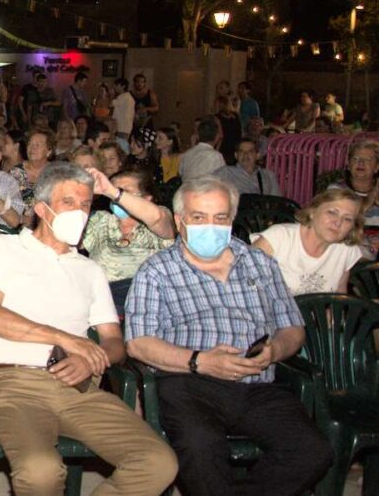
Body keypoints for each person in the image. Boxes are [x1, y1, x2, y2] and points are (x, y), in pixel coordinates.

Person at [0, 162, 177, 496]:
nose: (80, 212)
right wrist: (67, 339)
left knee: (157, 461)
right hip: (15, 384)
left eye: (85, 205)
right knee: (41, 472)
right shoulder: (5, 249)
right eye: (69, 202)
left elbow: (113, 341)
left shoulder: (90, 269)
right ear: (42, 208)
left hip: (79, 386)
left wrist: (92, 359)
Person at [125, 176, 332, 496]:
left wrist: (274, 350)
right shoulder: (157, 271)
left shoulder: (260, 263)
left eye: (220, 218)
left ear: (231, 220)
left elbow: (293, 328)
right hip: (189, 382)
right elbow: (139, 342)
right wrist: (199, 361)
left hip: (256, 382)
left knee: (312, 451)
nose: (211, 226)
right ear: (179, 221)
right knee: (201, 448)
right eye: (199, 217)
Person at [82, 168, 174, 313]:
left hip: (146, 300)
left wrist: (114, 192)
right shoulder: (100, 221)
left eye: (125, 191)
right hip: (103, 301)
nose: (114, 196)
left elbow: (157, 218)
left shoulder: (159, 216)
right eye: (111, 192)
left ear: (147, 199)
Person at [252, 188, 366, 295]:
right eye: (332, 212)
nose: (338, 222)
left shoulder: (345, 251)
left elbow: (337, 300)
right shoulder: (278, 238)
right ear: (312, 212)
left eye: (347, 219)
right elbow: (242, 285)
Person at [331, 140, 379, 256]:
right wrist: (369, 200)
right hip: (347, 246)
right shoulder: (337, 189)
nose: (361, 163)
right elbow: (338, 223)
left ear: (377, 167)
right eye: (355, 159)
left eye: (367, 160)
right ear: (349, 164)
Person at [213, 139, 280, 197]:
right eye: (241, 151)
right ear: (236, 155)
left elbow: (276, 201)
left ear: (257, 155)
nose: (245, 154)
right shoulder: (225, 172)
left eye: (250, 151)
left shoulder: (268, 175)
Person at [9, 130, 52, 208]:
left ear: (48, 151)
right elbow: (27, 202)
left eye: (37, 145)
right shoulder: (17, 172)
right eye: (30, 144)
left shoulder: (56, 172)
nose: (32, 148)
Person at [179, 116, 225, 181]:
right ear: (217, 137)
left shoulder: (187, 153)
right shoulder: (216, 156)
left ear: (198, 136)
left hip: (186, 189)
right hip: (204, 189)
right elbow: (222, 179)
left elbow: (181, 173)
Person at [214, 95, 242, 165]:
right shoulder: (235, 116)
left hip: (224, 147)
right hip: (234, 146)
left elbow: (220, 135)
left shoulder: (217, 118)